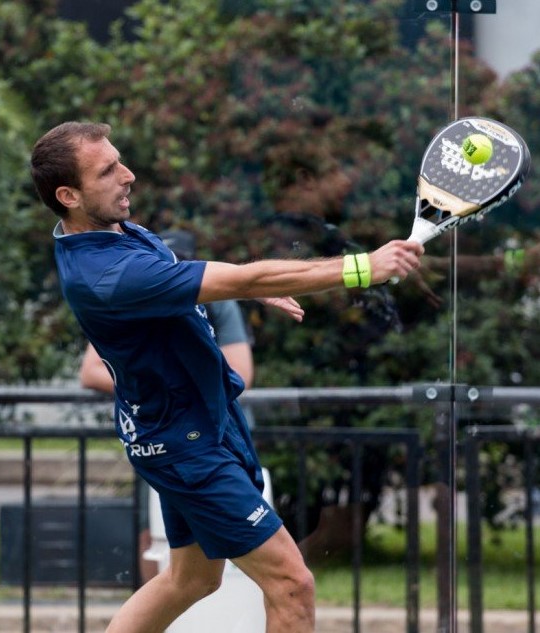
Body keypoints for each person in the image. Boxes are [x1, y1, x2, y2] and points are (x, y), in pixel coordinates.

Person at [30, 121, 423, 633]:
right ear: (69, 195)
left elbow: (200, 280)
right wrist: (362, 267)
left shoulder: (113, 233)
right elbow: (242, 275)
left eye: (120, 160)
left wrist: (239, 288)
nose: (128, 175)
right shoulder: (105, 274)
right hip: (186, 446)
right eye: (108, 171)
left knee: (191, 580)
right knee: (291, 582)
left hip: (191, 426)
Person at [79, 228, 255, 582]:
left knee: (191, 580)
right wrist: (154, 384)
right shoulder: (133, 288)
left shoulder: (213, 298)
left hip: (214, 435)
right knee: (288, 580)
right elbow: (91, 370)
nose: (165, 270)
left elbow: (241, 371)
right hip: (171, 438)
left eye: (174, 263)